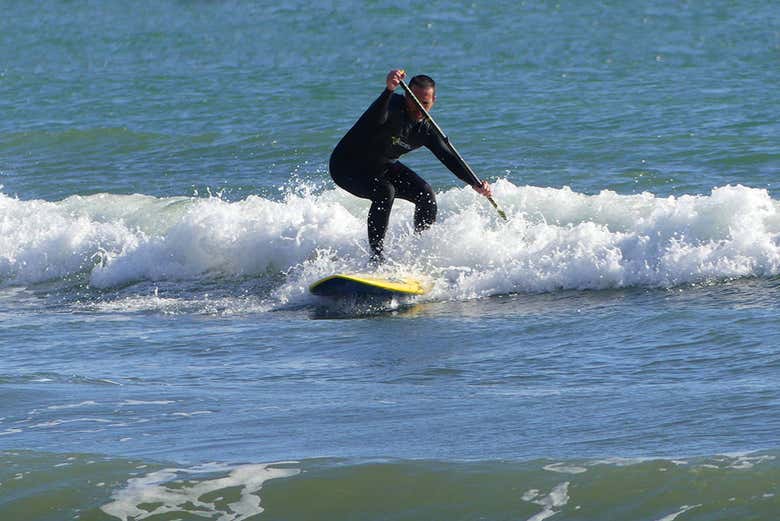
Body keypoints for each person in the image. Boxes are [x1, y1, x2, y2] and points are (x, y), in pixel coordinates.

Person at [329, 69, 492, 263]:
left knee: (425, 194)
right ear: (406, 96)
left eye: (425, 103)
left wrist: (474, 183)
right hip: (346, 166)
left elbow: (448, 157)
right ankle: (376, 258)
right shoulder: (391, 106)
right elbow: (375, 119)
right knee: (385, 191)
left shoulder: (426, 129)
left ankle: (420, 255)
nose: (419, 108)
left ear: (433, 101)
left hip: (381, 166)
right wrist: (388, 90)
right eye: (415, 102)